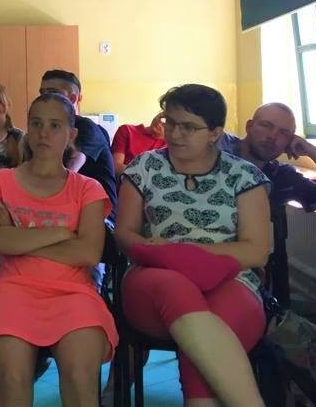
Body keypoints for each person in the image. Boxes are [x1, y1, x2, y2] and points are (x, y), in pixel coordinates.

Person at [115, 84, 271, 406]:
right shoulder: (144, 167)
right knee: (174, 288)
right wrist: (166, 259)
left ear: (215, 133)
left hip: (230, 279)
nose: (174, 133)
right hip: (153, 278)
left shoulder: (243, 175)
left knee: (208, 335)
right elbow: (125, 234)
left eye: (188, 127)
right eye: (170, 122)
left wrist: (179, 254)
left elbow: (256, 250)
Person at [0, 92, 116, 407]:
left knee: (80, 377)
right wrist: (62, 234)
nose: (43, 133)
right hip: (12, 291)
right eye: (36, 124)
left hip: (75, 294)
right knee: (13, 378)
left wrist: (19, 236)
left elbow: (88, 253)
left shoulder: (88, 188)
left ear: (71, 134)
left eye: (54, 125)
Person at [231, 102, 316, 217]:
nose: (273, 136)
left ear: (289, 141)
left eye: (283, 133)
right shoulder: (222, 153)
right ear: (249, 126)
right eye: (266, 125)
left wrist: (314, 152)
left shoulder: (283, 176)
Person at [39, 70, 117, 215]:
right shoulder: (48, 130)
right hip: (67, 209)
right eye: (42, 93)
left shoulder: (86, 127)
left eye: (53, 93)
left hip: (100, 216)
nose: (45, 99)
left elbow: (70, 170)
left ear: (73, 98)